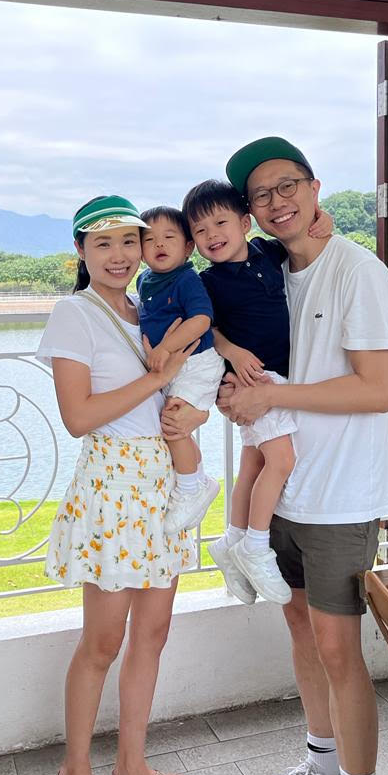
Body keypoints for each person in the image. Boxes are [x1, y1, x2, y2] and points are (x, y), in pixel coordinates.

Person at [216, 137, 388, 775]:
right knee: (300, 631)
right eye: (260, 195)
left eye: (287, 185)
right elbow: (248, 366)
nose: (277, 201)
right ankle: (322, 769)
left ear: (315, 188)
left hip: (341, 496)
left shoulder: (357, 270)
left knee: (338, 649)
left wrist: (271, 396)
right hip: (283, 490)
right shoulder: (265, 272)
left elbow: (377, 389)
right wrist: (236, 392)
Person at [37, 194, 201, 775]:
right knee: (103, 642)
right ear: (80, 251)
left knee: (152, 635)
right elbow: (78, 417)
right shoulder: (74, 313)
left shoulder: (151, 308)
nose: (119, 255)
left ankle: (132, 767)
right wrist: (154, 379)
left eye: (129, 241)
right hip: (112, 486)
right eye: (102, 243)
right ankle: (75, 771)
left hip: (164, 482)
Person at [180, 181, 330, 605]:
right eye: (200, 231)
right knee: (281, 460)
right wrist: (232, 350)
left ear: (245, 223)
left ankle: (232, 540)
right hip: (255, 383)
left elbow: (304, 231)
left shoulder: (268, 251)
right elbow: (203, 326)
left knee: (253, 464)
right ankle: (255, 546)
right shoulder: (207, 282)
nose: (212, 235)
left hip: (275, 379)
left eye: (220, 223)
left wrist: (325, 218)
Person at [137, 206, 224, 534]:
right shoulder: (144, 280)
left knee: (173, 425)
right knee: (173, 426)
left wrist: (164, 348)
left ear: (188, 247)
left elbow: (201, 320)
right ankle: (199, 481)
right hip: (174, 367)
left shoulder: (186, 279)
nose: (159, 244)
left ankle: (190, 490)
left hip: (196, 363)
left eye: (169, 237)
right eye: (149, 240)